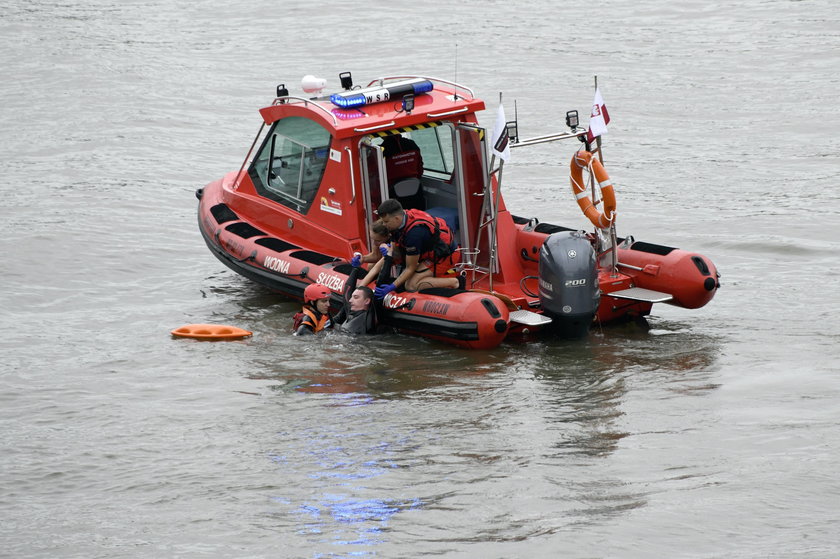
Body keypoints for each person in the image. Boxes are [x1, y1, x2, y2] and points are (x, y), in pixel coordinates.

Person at [373, 199, 462, 297]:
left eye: (386, 222)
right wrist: (389, 252)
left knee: (410, 286)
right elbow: (396, 254)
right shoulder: (400, 220)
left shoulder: (414, 234)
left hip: (445, 255)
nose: (384, 225)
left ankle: (454, 282)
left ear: (397, 218)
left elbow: (410, 268)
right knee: (405, 279)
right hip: (430, 252)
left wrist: (392, 287)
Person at [335, 253, 379, 334]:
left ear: (367, 301)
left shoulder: (368, 318)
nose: (351, 300)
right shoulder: (352, 312)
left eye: (356, 297)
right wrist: (355, 268)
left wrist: (387, 258)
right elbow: (347, 293)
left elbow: (381, 278)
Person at [381, 133, 425, 209]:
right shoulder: (412, 144)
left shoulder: (381, 150)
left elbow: (375, 172)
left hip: (393, 191)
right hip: (416, 187)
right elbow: (420, 168)